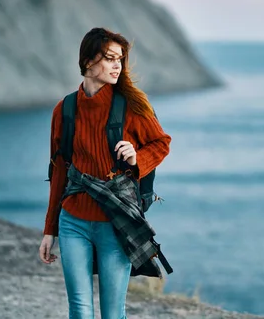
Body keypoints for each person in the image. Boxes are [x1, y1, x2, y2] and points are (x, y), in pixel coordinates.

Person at [38, 27, 172, 319]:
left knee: (112, 313)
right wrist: (50, 230)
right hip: (73, 222)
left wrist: (138, 157)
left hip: (116, 223)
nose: (116, 66)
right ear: (88, 62)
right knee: (80, 309)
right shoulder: (65, 109)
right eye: (109, 58)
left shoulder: (132, 106)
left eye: (120, 59)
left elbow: (162, 143)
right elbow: (60, 171)